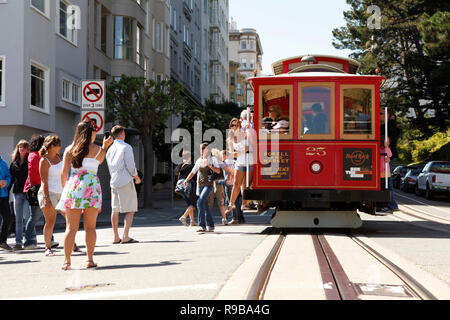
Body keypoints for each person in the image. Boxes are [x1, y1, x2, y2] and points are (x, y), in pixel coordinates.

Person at [56, 120, 114, 270]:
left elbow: (63, 174)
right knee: (90, 227)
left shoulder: (70, 149)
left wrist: (65, 190)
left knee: (71, 228)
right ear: (90, 133)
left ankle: (67, 261)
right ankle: (89, 259)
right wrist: (105, 146)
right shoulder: (98, 150)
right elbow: (100, 161)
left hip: (73, 187)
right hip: (91, 188)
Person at [38, 135, 81, 256]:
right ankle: (47, 248)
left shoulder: (59, 157)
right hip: (48, 193)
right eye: (58, 145)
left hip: (61, 192)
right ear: (51, 146)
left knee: (70, 219)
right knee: (50, 221)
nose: (60, 147)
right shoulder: (44, 161)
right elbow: (44, 181)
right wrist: (46, 199)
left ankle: (72, 244)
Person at [106, 125, 141, 244]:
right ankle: (125, 236)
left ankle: (116, 236)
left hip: (114, 181)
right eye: (124, 133)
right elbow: (130, 165)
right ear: (121, 134)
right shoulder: (126, 147)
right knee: (130, 209)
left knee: (114, 210)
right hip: (125, 180)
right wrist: (136, 177)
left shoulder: (109, 149)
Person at [23, 135, 58, 250]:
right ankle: (28, 241)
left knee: (47, 216)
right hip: (36, 188)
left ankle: (50, 239)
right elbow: (34, 175)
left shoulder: (42, 156)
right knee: (35, 216)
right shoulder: (34, 156)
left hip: (42, 187)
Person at [183, 143, 221, 233]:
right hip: (200, 185)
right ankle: (210, 226)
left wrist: (209, 165)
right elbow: (193, 172)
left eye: (204, 148)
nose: (202, 150)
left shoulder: (212, 159)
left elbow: (218, 171)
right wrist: (186, 180)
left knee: (200, 202)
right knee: (205, 205)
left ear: (208, 149)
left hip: (209, 184)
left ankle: (202, 225)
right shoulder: (199, 160)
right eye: (201, 148)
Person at [225, 118, 256, 214]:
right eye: (232, 125)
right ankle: (231, 204)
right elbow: (231, 154)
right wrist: (243, 151)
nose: (234, 127)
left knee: (246, 185)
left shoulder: (245, 134)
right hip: (240, 162)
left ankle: (245, 204)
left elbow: (253, 144)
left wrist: (250, 131)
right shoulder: (230, 139)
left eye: (236, 125)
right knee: (236, 183)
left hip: (250, 161)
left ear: (239, 126)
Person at [8, 140, 31, 250]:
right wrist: (6, 192)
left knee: (27, 216)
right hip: (17, 193)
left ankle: (30, 239)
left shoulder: (30, 161)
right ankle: (18, 242)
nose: (22, 149)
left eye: (25, 147)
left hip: (27, 193)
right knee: (18, 218)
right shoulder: (14, 163)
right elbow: (11, 179)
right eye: (20, 147)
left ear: (28, 149)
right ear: (18, 148)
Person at [380, 109, 400, 211]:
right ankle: (385, 203)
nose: (379, 116)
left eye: (382, 114)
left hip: (386, 156)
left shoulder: (388, 127)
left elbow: (389, 142)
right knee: (384, 180)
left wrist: (388, 156)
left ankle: (392, 205)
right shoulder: (386, 126)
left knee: (387, 180)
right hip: (385, 155)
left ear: (389, 116)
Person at [176, 151, 198, 227]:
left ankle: (192, 221)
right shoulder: (191, 166)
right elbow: (194, 176)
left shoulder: (180, 165)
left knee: (189, 203)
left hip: (180, 187)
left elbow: (176, 174)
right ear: (190, 157)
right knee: (194, 203)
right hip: (189, 185)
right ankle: (184, 216)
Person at [208, 149, 228, 225]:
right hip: (213, 181)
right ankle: (224, 219)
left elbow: (218, 171)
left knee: (219, 201)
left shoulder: (214, 160)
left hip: (216, 181)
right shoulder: (215, 160)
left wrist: (210, 166)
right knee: (217, 201)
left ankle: (224, 219)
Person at [377, 136, 395, 214]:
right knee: (380, 189)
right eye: (386, 141)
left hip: (385, 173)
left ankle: (385, 205)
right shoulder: (378, 149)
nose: (387, 142)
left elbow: (390, 155)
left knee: (385, 189)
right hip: (379, 173)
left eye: (388, 141)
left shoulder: (387, 150)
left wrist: (387, 147)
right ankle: (379, 205)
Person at [0, 155, 12, 251]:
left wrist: (6, 182)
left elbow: (8, 176)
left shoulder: (2, 162)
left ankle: (3, 241)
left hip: (3, 195)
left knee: (7, 217)